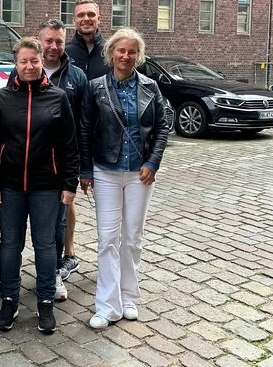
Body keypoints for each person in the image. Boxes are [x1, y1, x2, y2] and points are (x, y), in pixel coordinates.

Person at [0, 37, 79, 334]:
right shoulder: (2, 98)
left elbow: (69, 145)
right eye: (23, 61)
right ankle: (9, 298)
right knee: (10, 243)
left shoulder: (58, 97)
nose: (28, 66)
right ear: (16, 63)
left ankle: (45, 301)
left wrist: (69, 184)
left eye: (34, 61)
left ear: (42, 62)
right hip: (10, 186)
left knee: (46, 244)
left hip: (47, 186)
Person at [79, 27, 168, 329]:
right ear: (111, 53)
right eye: (121, 50)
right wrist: (86, 170)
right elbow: (85, 129)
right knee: (107, 239)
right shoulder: (96, 88)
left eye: (132, 51)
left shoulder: (150, 87)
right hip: (105, 170)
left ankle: (129, 297)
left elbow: (162, 127)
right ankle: (106, 306)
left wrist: (153, 162)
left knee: (132, 238)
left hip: (140, 174)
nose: (126, 56)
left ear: (138, 56)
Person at [61, 0, 112, 279]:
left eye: (91, 14)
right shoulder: (66, 52)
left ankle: (109, 258)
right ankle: (69, 253)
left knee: (108, 204)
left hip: (104, 139)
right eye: (81, 15)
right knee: (67, 198)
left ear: (99, 18)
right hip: (72, 139)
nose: (86, 19)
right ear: (74, 20)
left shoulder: (111, 51)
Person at [37, 19, 88, 301]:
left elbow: (84, 122)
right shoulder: (26, 68)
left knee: (59, 217)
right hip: (32, 160)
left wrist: (80, 163)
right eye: (49, 41)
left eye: (59, 41)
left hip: (62, 160)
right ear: (40, 41)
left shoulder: (76, 76)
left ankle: (55, 269)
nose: (54, 47)